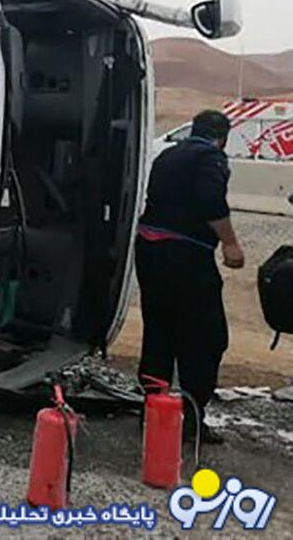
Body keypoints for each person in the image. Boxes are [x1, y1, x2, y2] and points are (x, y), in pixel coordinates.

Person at [135, 110, 245, 444]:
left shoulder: (167, 155)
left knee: (159, 332)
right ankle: (191, 418)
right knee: (206, 337)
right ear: (222, 137)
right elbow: (210, 200)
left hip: (150, 251)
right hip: (185, 256)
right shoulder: (211, 157)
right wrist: (230, 243)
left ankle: (152, 412)